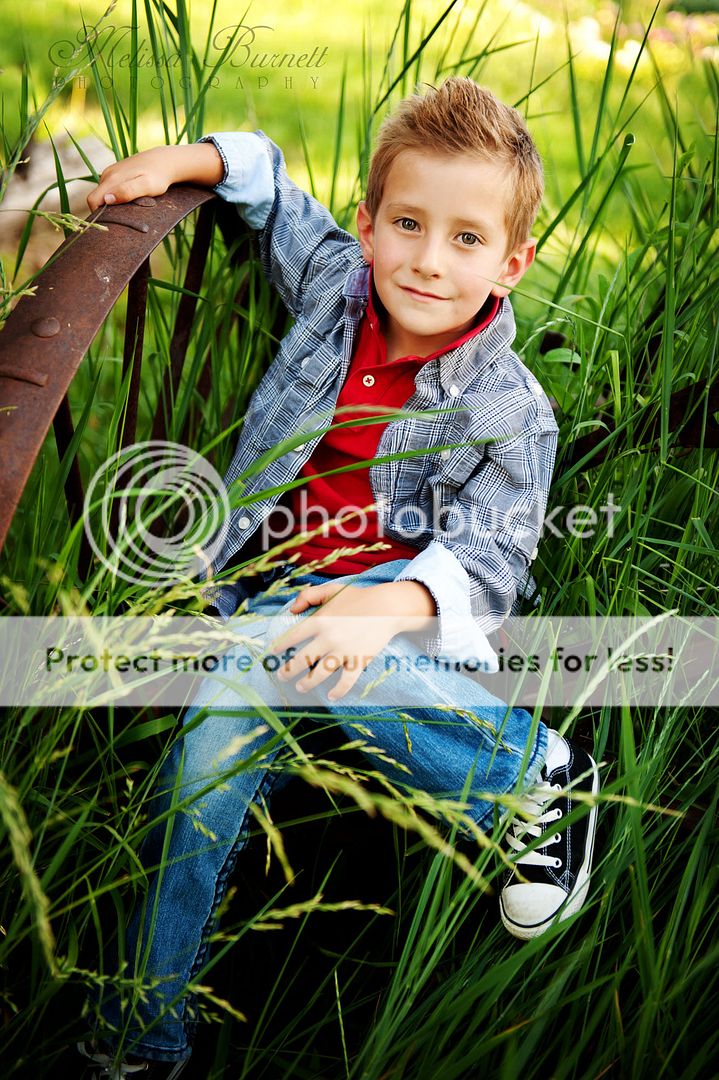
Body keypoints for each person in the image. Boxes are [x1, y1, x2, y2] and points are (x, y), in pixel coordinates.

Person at [78, 77, 599, 1077]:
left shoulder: (508, 408)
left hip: (406, 612)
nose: (427, 259)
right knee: (202, 767)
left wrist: (383, 605)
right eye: (407, 224)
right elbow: (269, 187)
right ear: (366, 225)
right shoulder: (334, 290)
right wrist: (184, 162)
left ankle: (533, 776)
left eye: (465, 239)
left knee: (303, 650)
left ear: (511, 263)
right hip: (269, 600)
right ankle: (138, 1037)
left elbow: (492, 559)